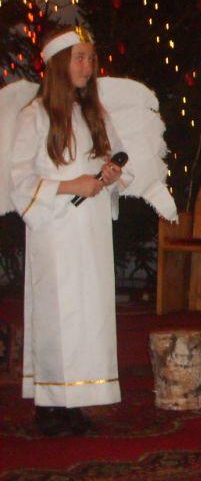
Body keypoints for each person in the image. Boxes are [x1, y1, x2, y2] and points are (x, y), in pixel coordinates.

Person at [11, 26, 129, 436]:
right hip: (56, 231)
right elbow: (20, 181)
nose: (87, 66)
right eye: (79, 58)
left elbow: (115, 159)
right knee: (58, 314)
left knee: (88, 313)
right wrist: (69, 186)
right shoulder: (35, 116)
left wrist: (110, 174)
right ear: (60, 64)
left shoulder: (95, 114)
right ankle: (50, 405)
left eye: (91, 58)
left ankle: (75, 399)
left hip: (91, 232)